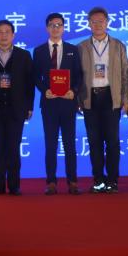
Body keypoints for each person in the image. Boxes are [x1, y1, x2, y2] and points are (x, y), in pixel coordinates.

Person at [78, 7, 128, 193]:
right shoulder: (81, 47)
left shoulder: (118, 45)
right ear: (89, 24)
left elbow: (125, 75)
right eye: (94, 21)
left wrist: (126, 99)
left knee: (113, 141)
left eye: (101, 21)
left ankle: (112, 180)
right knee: (94, 141)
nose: (98, 24)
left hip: (111, 96)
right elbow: (76, 76)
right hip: (90, 97)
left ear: (107, 22)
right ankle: (98, 180)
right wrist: (78, 99)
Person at [0, 20, 33, 196]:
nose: (4, 35)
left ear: (13, 35)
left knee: (13, 148)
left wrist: (29, 107)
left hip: (16, 109)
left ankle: (14, 185)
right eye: (0, 32)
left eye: (7, 32)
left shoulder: (24, 55)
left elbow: (29, 84)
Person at [32, 12, 82, 195]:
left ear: (63, 28)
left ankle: (72, 181)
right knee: (50, 144)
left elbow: (79, 75)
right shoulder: (39, 51)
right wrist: (44, 89)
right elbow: (35, 76)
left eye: (59, 25)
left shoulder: (73, 49)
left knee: (69, 144)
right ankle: (51, 182)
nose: (56, 28)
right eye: (52, 25)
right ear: (47, 28)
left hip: (68, 103)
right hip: (49, 103)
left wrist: (74, 91)